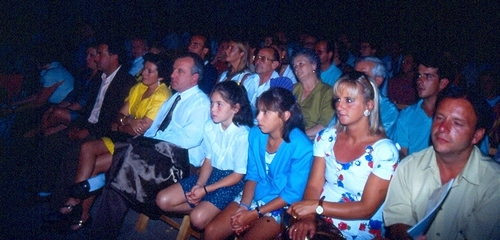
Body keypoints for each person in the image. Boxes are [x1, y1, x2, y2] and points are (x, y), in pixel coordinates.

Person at [90, 52, 210, 239]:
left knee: (125, 163)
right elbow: (152, 129)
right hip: (159, 156)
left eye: (180, 72)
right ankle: (102, 224)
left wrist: (151, 143)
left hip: (179, 165)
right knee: (125, 157)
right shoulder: (174, 98)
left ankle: (100, 186)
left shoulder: (200, 103)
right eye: (174, 71)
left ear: (194, 78)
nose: (173, 75)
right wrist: (145, 141)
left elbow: (189, 139)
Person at [48, 53, 171, 231]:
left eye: (149, 71)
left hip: (138, 146)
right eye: (144, 68)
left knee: (96, 164)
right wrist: (128, 122)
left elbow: (140, 129)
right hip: (123, 138)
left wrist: (124, 123)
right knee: (87, 147)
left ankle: (78, 211)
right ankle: (74, 202)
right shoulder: (138, 88)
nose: (143, 73)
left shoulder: (161, 95)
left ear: (161, 76)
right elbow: (120, 116)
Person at [287, 71, 399, 239]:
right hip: (319, 217)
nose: (339, 106)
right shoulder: (326, 137)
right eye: (338, 99)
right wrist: (308, 217)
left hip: (356, 227)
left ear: (369, 105)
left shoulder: (384, 152)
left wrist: (315, 207)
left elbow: (366, 209)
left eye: (349, 100)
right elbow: (314, 185)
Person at [383, 88, 500, 239]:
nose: (443, 128)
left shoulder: (493, 182)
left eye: (457, 123)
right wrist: (406, 235)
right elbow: (397, 218)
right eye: (439, 118)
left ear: (477, 135)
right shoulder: (409, 166)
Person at [204, 87, 313, 240]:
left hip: (281, 204)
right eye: (259, 111)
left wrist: (254, 214)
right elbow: (253, 175)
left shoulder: (302, 147)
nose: (258, 118)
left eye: (265, 112)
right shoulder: (256, 134)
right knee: (211, 232)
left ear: (285, 116)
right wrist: (244, 207)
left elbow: (291, 194)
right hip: (255, 194)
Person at [156, 81, 253, 230]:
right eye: (212, 103)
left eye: (219, 104)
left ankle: (206, 209)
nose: (213, 109)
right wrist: (199, 185)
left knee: (197, 218)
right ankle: (203, 205)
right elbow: (208, 160)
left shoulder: (242, 135)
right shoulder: (210, 127)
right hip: (212, 173)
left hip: (232, 182)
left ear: (235, 108)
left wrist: (205, 190)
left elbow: (237, 175)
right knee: (162, 200)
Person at [25, 45, 101, 137]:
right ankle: (45, 131)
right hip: (75, 106)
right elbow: (73, 94)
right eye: (87, 55)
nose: (87, 58)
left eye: (91, 55)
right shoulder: (85, 73)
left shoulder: (100, 78)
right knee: (51, 110)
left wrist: (61, 108)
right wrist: (58, 106)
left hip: (86, 114)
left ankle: (38, 132)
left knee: (57, 112)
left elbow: (82, 103)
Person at [391, 54, 451, 158]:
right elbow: (402, 153)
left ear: (442, 83)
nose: (420, 81)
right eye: (419, 76)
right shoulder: (407, 115)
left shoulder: (454, 115)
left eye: (428, 76)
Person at [291, 48, 334, 139]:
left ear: (313, 65)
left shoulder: (327, 92)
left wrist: (298, 135)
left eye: (301, 64)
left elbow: (323, 125)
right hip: (291, 138)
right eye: (294, 66)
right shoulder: (293, 89)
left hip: (312, 142)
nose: (297, 68)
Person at [355, 57, 399, 134]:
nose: (355, 79)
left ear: (377, 81)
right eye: (354, 74)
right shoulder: (346, 102)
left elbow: (375, 138)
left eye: (362, 75)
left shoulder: (389, 110)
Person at [243, 47, 293, 115]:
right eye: (257, 57)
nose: (257, 61)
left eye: (263, 59)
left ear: (274, 65)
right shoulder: (248, 79)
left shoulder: (279, 85)